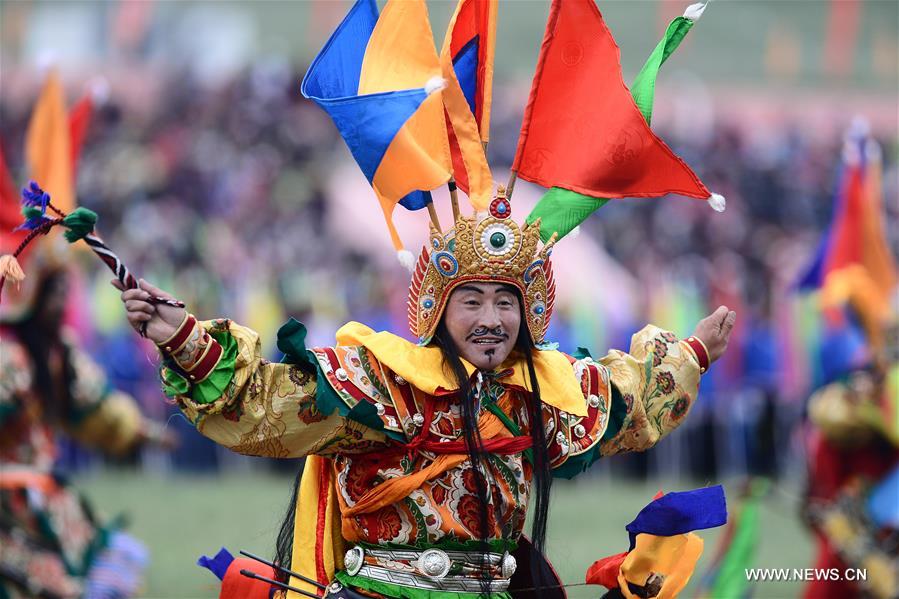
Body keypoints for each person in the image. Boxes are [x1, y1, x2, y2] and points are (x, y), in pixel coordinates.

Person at [117, 190, 736, 598]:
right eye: (471, 301)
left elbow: (622, 402)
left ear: (531, 313)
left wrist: (691, 355)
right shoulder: (382, 383)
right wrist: (185, 339)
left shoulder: (541, 394)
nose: (490, 319)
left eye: (505, 302)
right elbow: (268, 404)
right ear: (438, 312)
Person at [0, 238, 171, 599]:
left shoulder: (59, 351)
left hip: (45, 499)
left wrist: (142, 432)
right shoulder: (9, 358)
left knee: (110, 576)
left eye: (65, 291)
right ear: (31, 297)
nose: (60, 302)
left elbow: (95, 408)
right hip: (7, 508)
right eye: (52, 293)